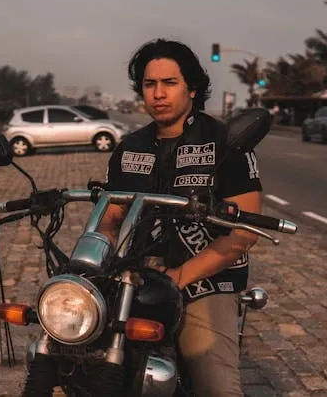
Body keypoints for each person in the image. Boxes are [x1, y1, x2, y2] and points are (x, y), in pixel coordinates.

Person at [98, 38, 263, 396]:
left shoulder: (225, 142)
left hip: (205, 278)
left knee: (214, 382)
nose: (158, 93)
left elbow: (244, 233)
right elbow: (110, 216)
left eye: (169, 83)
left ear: (192, 88)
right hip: (137, 274)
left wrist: (178, 277)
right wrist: (100, 257)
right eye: (149, 84)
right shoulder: (130, 148)